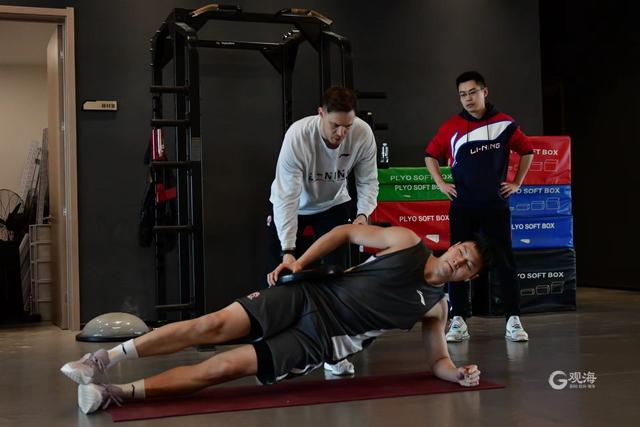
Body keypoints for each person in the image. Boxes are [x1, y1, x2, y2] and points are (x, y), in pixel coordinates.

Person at [61, 223, 488, 415]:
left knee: (222, 368)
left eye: (468, 264)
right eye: (461, 251)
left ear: (468, 277)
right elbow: (345, 232)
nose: (459, 260)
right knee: (209, 326)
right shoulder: (407, 242)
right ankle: (101, 360)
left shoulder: (435, 307)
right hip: (306, 295)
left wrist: (457, 374)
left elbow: (438, 360)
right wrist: (298, 262)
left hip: (320, 341)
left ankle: (114, 394)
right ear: (452, 246)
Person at [266, 86, 379, 375]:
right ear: (321, 113)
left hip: (333, 205)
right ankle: (277, 353)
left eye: (347, 126)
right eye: (335, 125)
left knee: (336, 280)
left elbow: (368, 180)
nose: (341, 133)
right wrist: (288, 249)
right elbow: (287, 196)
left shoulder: (362, 133)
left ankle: (332, 353)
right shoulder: (298, 136)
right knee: (281, 277)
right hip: (294, 206)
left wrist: (363, 215)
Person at [424, 70, 534, 343]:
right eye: (462, 94)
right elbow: (430, 155)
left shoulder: (505, 123)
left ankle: (513, 319)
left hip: (495, 206)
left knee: (505, 261)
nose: (468, 99)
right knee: (456, 263)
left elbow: (527, 150)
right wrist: (441, 183)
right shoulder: (451, 127)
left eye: (472, 92)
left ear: (484, 91)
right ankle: (459, 320)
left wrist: (517, 183)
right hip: (463, 207)